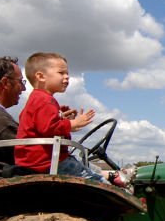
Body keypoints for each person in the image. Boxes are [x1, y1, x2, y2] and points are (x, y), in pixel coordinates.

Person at [15, 52, 133, 186]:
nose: (67, 77)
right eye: (61, 73)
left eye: (67, 73)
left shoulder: (38, 99)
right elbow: (48, 128)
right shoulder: (44, 101)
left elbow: (42, 126)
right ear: (41, 76)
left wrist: (62, 119)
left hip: (40, 160)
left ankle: (117, 176)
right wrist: (72, 123)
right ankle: (121, 198)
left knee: (91, 168)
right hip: (47, 162)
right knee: (99, 183)